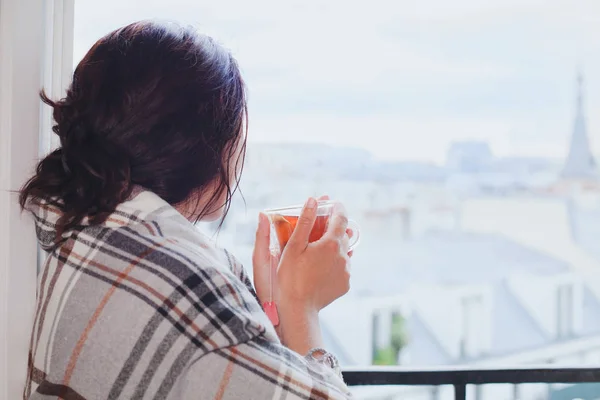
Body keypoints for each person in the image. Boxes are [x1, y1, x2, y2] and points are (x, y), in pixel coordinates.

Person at [20, 21, 353, 400]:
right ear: (203, 144)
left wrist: (270, 307)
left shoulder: (82, 226)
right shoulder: (191, 288)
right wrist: (301, 306)